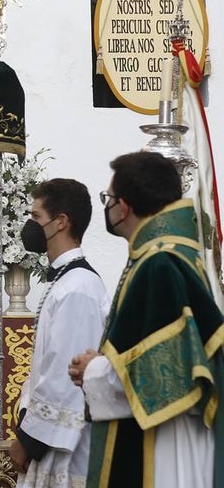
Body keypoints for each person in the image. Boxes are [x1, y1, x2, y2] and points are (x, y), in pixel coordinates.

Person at [69, 151, 224, 488]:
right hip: (175, 433)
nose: (108, 207)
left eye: (108, 198)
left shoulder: (158, 263)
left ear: (123, 207)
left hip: (164, 444)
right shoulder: (174, 255)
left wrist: (92, 370)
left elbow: (164, 375)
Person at [9, 178, 106, 488]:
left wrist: (28, 441)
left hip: (69, 448)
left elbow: (66, 372)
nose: (30, 225)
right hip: (52, 442)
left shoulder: (78, 288)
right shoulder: (66, 281)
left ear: (61, 222)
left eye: (36, 216)